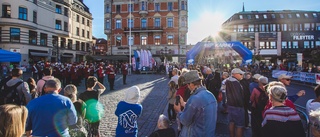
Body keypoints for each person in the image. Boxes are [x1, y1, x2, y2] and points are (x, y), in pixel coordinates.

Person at [174, 70, 217, 137]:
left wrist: (178, 111)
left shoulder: (194, 99)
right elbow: (200, 110)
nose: (187, 87)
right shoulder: (211, 95)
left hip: (197, 134)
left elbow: (185, 121)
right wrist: (184, 103)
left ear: (191, 84)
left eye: (187, 84)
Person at [225, 68, 246, 137]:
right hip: (237, 107)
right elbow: (238, 96)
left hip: (230, 105)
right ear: (235, 74)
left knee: (231, 123)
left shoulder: (227, 81)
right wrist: (241, 105)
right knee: (239, 126)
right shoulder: (235, 83)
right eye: (240, 74)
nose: (241, 75)